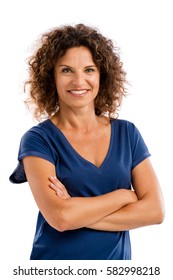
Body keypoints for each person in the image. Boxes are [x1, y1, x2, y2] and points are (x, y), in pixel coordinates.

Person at [9, 23, 164, 260]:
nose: (79, 81)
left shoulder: (127, 133)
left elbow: (155, 211)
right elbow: (60, 218)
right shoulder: (38, 140)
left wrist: (76, 211)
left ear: (103, 75)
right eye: (67, 70)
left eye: (89, 70)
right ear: (52, 76)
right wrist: (123, 196)